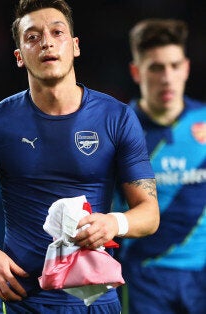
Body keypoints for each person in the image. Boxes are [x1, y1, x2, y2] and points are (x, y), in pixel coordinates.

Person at [0, 0, 160, 313]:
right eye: (33, 37)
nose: (47, 42)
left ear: (75, 46)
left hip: (93, 300)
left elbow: (149, 213)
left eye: (57, 32)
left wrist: (114, 223)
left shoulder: (116, 118)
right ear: (19, 56)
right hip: (23, 300)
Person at [115, 18, 206, 314]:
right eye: (156, 67)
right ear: (136, 72)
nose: (167, 77)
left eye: (175, 65)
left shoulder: (203, 123)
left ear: (187, 68)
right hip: (142, 278)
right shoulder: (117, 129)